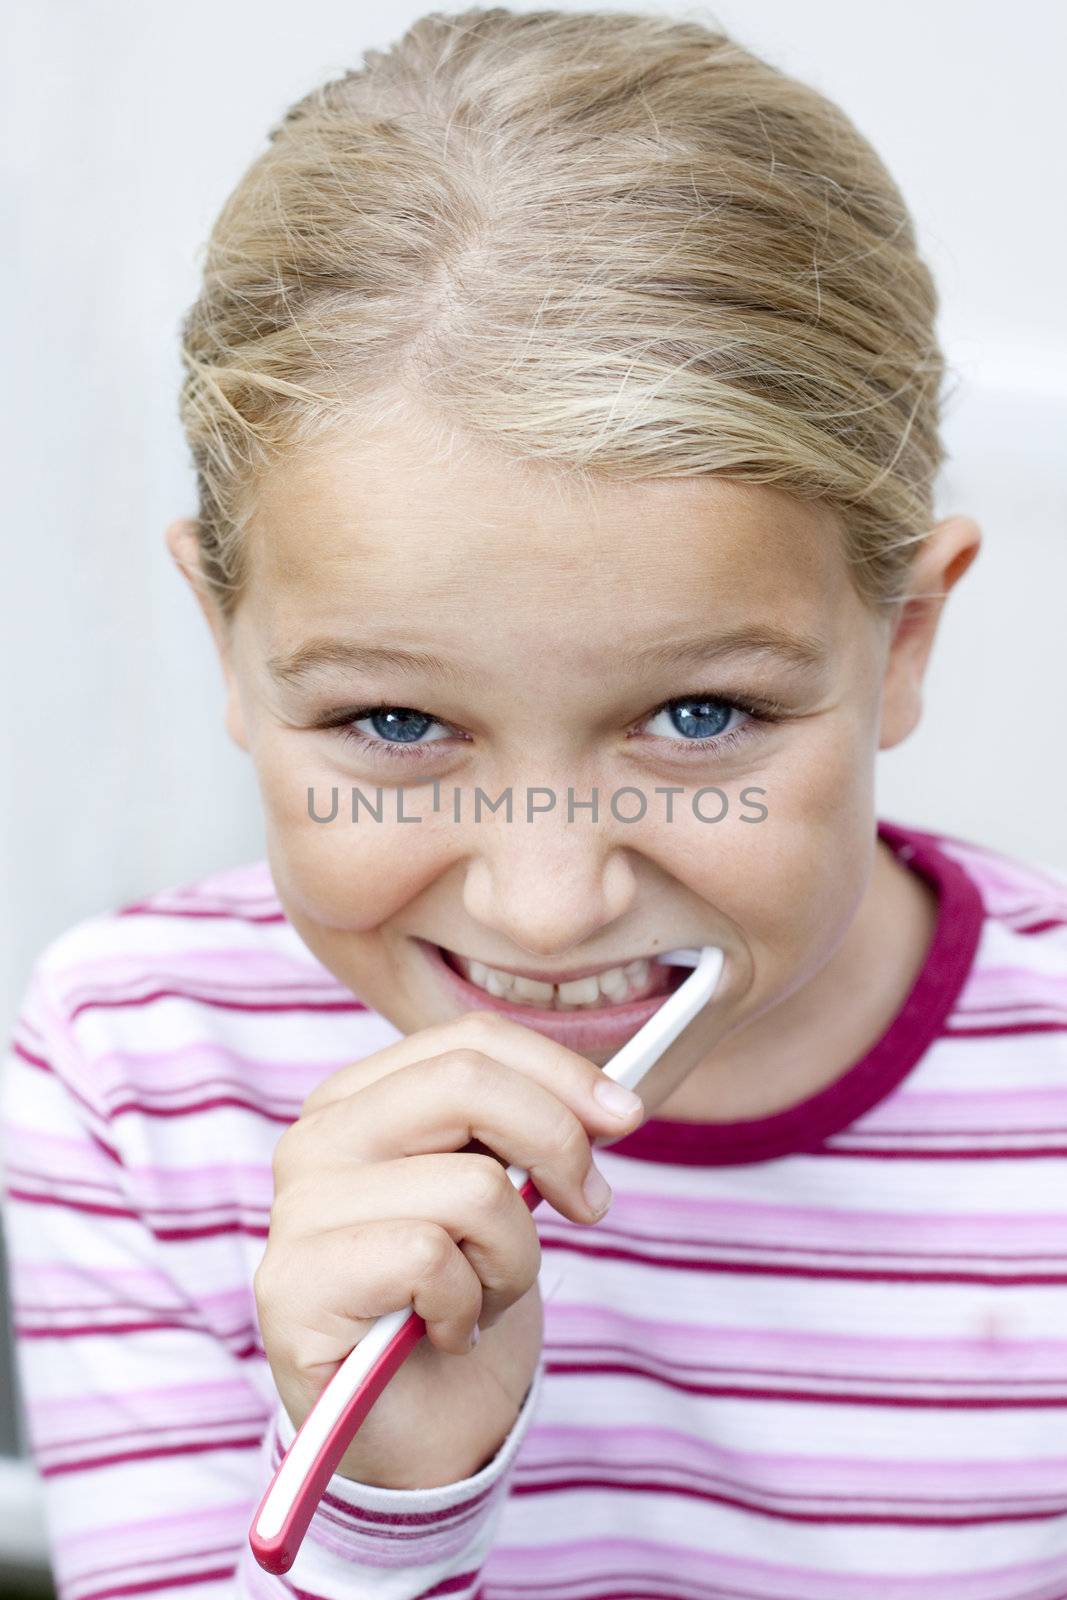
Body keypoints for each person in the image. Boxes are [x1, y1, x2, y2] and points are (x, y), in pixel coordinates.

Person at [4, 7, 1066, 1597]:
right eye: (397, 720)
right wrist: (380, 1512)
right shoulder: (143, 1067)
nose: (546, 904)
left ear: (902, 639)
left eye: (701, 718)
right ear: (226, 646)